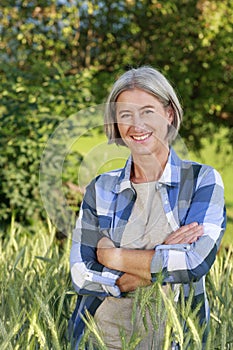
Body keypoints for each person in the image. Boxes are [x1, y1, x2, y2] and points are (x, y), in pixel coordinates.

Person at [69, 66, 226, 349]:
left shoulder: (202, 180)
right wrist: (165, 254)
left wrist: (111, 256)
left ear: (169, 113)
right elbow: (81, 274)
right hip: (99, 341)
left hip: (174, 342)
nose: (136, 124)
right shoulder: (99, 189)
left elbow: (195, 263)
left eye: (147, 111)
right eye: (126, 114)